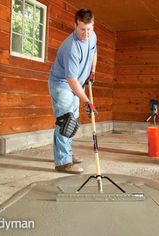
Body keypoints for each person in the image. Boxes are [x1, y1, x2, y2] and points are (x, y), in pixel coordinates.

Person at [48, 9, 97, 174]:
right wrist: (87, 101)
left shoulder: (92, 36)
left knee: (73, 121)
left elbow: (94, 52)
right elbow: (71, 80)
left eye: (89, 29)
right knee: (65, 121)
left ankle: (66, 152)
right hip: (63, 84)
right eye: (82, 29)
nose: (86, 34)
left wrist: (92, 71)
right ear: (75, 25)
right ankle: (63, 162)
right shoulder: (71, 46)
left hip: (79, 84)